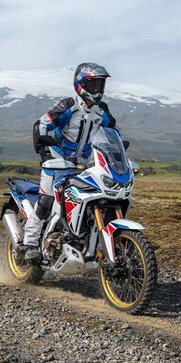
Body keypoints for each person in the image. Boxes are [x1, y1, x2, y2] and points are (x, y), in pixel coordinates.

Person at [21, 62, 117, 263]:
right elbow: (42, 125)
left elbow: (112, 132)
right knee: (46, 201)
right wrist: (45, 154)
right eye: (93, 84)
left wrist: (117, 152)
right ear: (81, 84)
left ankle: (85, 242)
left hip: (83, 165)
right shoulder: (68, 106)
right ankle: (29, 244)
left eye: (100, 84)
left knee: (96, 200)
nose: (97, 89)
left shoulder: (102, 111)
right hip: (57, 163)